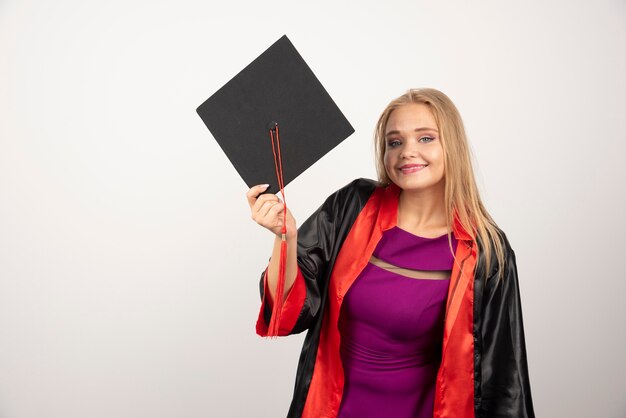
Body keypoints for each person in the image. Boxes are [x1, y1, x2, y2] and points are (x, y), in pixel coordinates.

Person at [246, 88, 535, 418]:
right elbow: (289, 311)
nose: (407, 152)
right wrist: (286, 238)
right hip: (332, 409)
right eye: (394, 142)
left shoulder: (485, 251)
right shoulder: (352, 208)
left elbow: (504, 379)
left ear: (451, 146)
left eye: (426, 138)